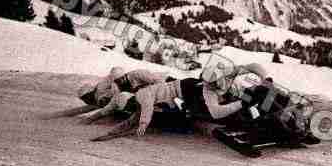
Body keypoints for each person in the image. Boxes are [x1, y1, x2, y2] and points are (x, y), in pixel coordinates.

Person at [94, 63, 269, 139]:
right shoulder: (207, 89)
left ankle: (255, 104)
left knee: (234, 98)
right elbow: (215, 112)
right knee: (222, 106)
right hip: (187, 91)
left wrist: (265, 77)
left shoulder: (141, 88)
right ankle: (252, 110)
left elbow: (252, 65)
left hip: (181, 88)